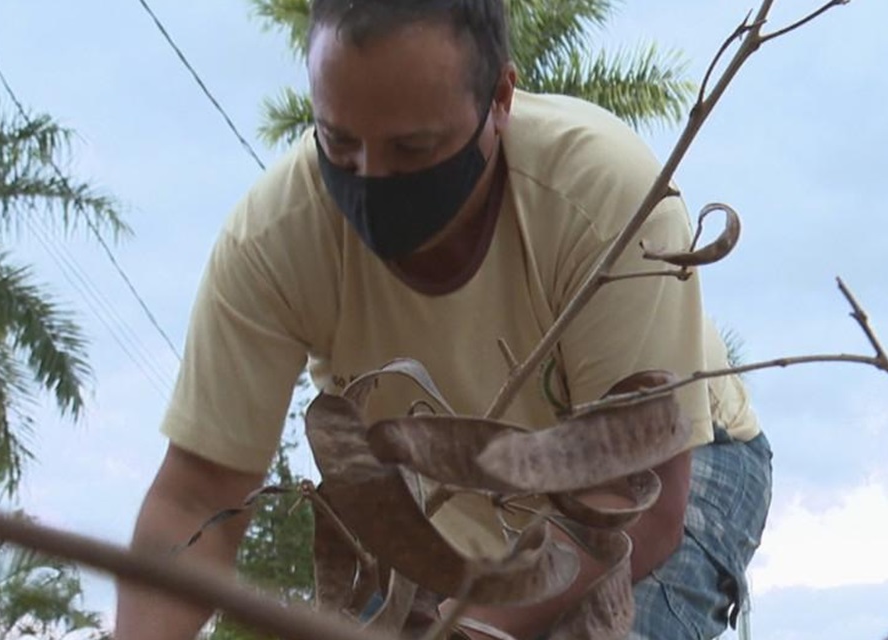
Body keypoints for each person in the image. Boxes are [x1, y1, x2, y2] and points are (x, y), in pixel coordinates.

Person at [115, 1, 773, 638]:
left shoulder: (602, 194)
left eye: (413, 148)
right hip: (455, 507)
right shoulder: (274, 239)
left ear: (500, 100)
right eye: (340, 143)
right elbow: (196, 496)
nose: (371, 179)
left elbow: (638, 503)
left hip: (678, 468)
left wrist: (470, 629)